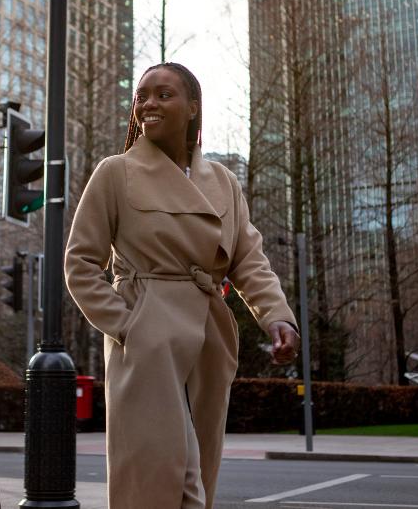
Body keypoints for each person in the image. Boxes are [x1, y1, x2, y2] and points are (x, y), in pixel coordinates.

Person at [65, 62, 300, 508]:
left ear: (193, 107)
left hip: (208, 336)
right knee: (162, 477)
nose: (148, 103)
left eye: (163, 94)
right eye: (142, 95)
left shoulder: (222, 181)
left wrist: (276, 317)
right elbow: (80, 263)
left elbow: (248, 259)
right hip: (148, 337)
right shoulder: (116, 172)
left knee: (198, 478)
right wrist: (131, 325)